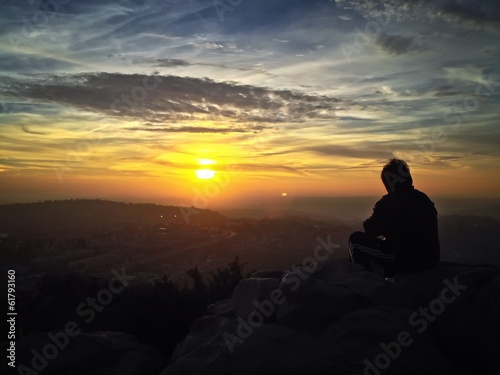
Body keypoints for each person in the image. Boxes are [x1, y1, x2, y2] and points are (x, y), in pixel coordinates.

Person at [348, 158, 440, 278]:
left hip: (406, 261)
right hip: (430, 260)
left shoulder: (389, 203)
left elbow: (371, 230)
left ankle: (365, 282)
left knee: (355, 240)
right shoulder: (423, 199)